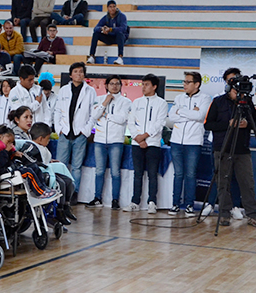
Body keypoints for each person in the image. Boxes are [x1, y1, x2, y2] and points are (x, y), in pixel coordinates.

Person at [203, 67, 256, 228]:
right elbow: (208, 124)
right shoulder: (218, 102)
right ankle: (224, 214)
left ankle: (252, 215)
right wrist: (227, 124)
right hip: (222, 147)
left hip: (242, 149)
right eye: (232, 83)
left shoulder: (248, 102)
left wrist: (247, 124)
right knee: (223, 182)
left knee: (247, 183)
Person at [168, 71, 211, 217]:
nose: (184, 85)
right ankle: (175, 204)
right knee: (178, 174)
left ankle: (189, 205)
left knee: (191, 174)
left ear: (197, 84)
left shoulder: (205, 98)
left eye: (188, 82)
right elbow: (172, 116)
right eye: (184, 82)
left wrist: (181, 112)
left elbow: (200, 116)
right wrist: (189, 112)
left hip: (193, 142)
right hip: (176, 140)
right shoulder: (179, 97)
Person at [123, 74, 168, 214]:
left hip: (153, 143)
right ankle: (135, 201)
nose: (143, 87)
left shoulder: (161, 103)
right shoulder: (136, 102)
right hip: (137, 144)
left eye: (147, 84)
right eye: (142, 84)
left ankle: (152, 202)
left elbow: (159, 123)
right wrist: (137, 138)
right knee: (137, 174)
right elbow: (131, 121)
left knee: (152, 174)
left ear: (154, 86)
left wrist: (145, 137)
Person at [52, 62, 97, 196]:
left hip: (80, 134)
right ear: (71, 75)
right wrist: (59, 128)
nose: (79, 74)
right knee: (61, 165)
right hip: (64, 133)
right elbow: (57, 111)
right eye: (76, 71)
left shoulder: (90, 91)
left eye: (81, 71)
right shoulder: (64, 89)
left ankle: (73, 194)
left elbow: (93, 114)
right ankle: (60, 192)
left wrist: (85, 131)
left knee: (77, 167)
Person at [87, 75, 131, 209]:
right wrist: (105, 103)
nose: (114, 86)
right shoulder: (99, 100)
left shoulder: (126, 102)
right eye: (111, 84)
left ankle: (115, 200)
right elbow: (94, 116)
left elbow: (122, 119)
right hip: (100, 140)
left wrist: (106, 115)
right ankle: (97, 198)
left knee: (115, 172)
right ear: (106, 85)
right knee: (99, 171)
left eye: (117, 84)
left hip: (116, 140)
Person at [88, 1, 128, 65]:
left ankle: (120, 57)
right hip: (109, 37)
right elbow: (95, 28)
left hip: (119, 38)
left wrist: (111, 29)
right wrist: (102, 29)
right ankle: (92, 56)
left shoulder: (122, 16)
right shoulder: (105, 17)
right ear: (107, 8)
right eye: (110, 7)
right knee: (95, 34)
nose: (112, 9)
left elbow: (123, 28)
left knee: (119, 33)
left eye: (114, 6)